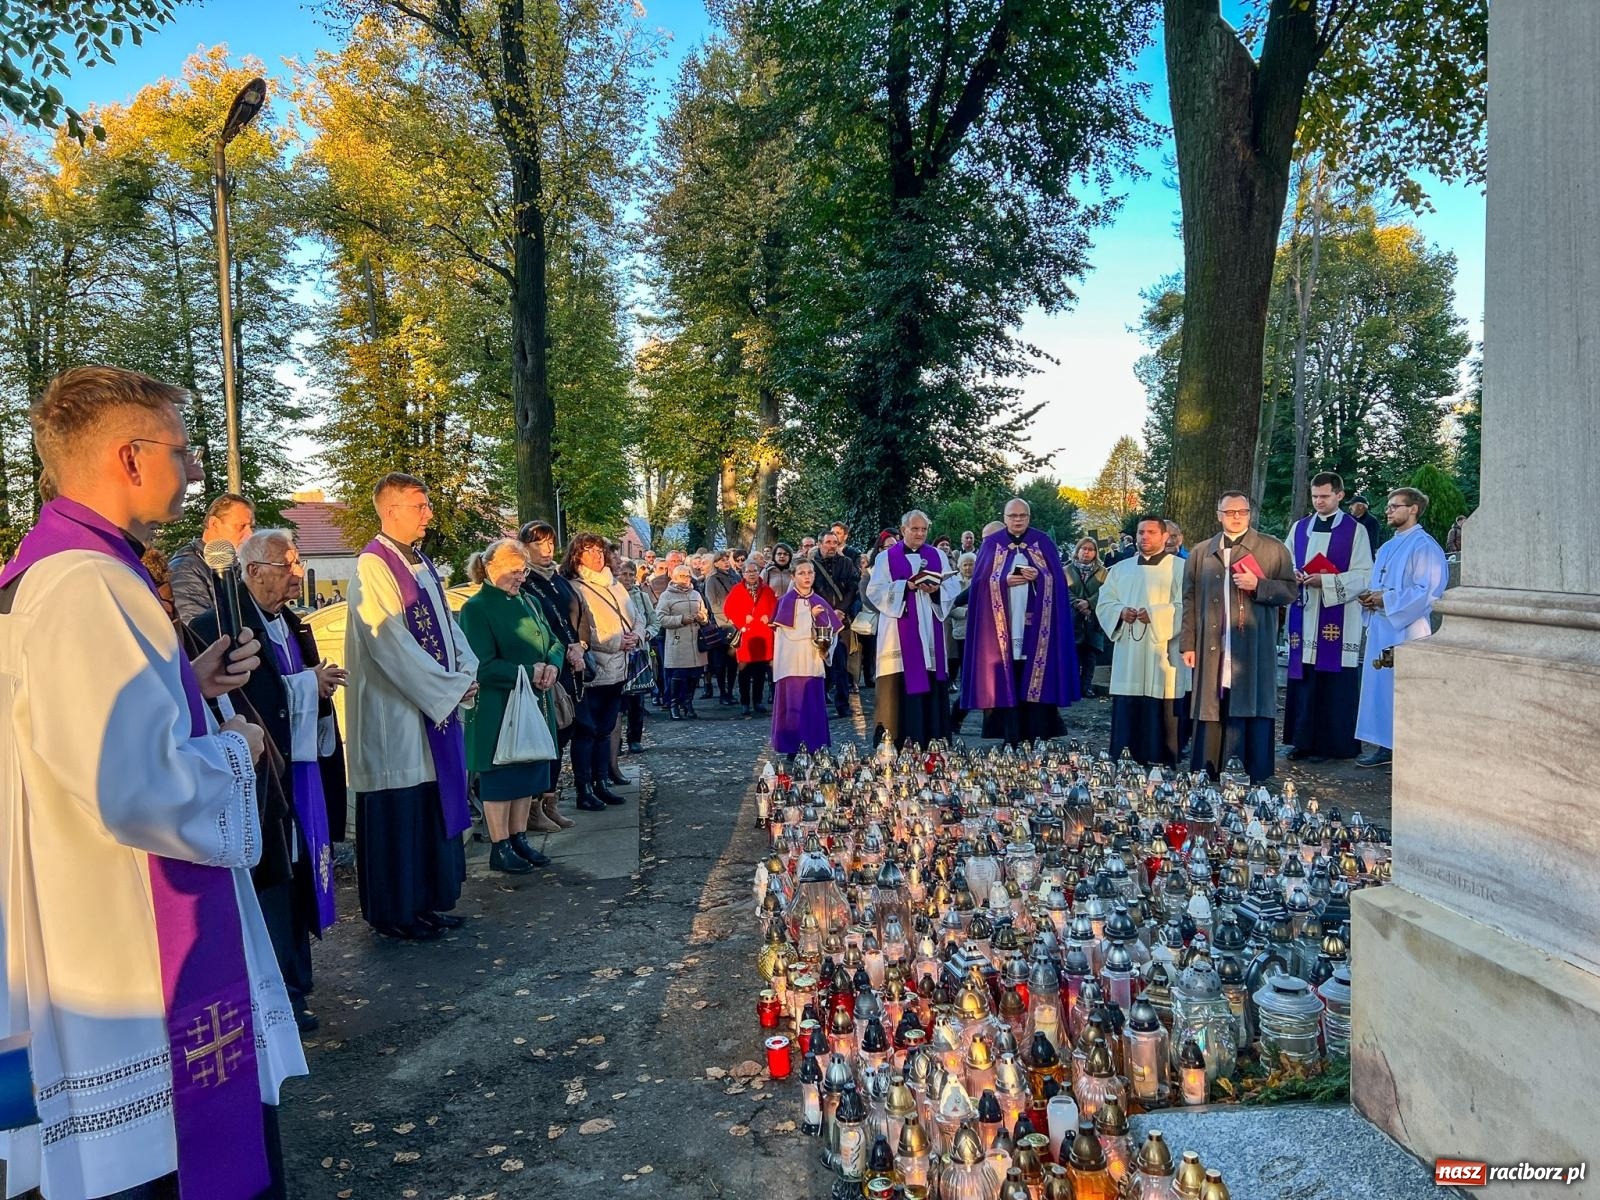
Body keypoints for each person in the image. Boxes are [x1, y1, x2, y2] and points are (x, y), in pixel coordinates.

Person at [0, 365, 304, 1198]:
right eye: (182, 449)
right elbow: (132, 787)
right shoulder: (89, 585)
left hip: (80, 906)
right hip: (123, 933)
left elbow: (70, 733)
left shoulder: (48, 569)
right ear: (129, 458)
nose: (195, 468)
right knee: (172, 1158)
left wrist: (188, 687)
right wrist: (235, 746)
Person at [192, 529, 346, 1033]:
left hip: (300, 771)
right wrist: (307, 685)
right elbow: (243, 698)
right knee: (273, 884)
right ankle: (278, 994)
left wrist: (317, 687)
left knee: (298, 877)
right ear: (254, 571)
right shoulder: (217, 626)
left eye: (298, 563)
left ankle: (297, 982)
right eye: (287, 565)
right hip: (259, 778)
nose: (297, 574)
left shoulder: (289, 623)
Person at [346, 472, 478, 941]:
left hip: (430, 711)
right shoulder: (373, 565)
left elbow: (448, 627)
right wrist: (447, 689)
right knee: (401, 815)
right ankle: (396, 913)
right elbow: (390, 644)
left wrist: (465, 673)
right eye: (419, 506)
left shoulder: (418, 562)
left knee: (428, 811)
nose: (428, 515)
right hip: (395, 718)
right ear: (390, 510)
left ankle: (426, 902)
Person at [459, 539, 565, 873]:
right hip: (498, 706)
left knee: (527, 774)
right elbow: (481, 665)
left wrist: (552, 666)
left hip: (534, 700)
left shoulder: (529, 601)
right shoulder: (477, 608)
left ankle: (519, 838)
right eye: (514, 571)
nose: (521, 577)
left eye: (523, 571)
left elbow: (554, 641)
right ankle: (500, 844)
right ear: (490, 567)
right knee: (500, 777)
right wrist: (527, 671)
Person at [1179, 491, 1296, 784]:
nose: (1236, 517)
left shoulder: (1272, 548)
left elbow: (1290, 591)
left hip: (1251, 644)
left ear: (1250, 514)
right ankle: (1208, 768)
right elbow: (1189, 599)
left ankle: (1251, 768)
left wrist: (1260, 585)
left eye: (1242, 511)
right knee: (1211, 698)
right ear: (1218, 515)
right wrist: (1188, 643)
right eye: (1229, 512)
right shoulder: (1201, 552)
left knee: (1249, 696)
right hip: (1212, 642)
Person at [960, 498, 1081, 745]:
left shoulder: (1042, 542)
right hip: (1001, 627)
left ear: (1029, 517)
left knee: (1034, 675)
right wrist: (1002, 581)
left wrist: (1040, 577)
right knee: (1008, 678)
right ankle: (1010, 735)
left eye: (1022, 515)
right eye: (1012, 516)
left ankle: (1037, 734)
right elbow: (979, 584)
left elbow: (1057, 580)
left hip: (1035, 626)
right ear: (1004, 518)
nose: (1017, 520)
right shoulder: (992, 544)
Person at [1354, 488, 1450, 768]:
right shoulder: (1386, 547)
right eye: (1388, 506)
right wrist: (1370, 598)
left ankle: (1407, 747)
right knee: (1381, 690)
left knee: (1403, 690)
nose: (1388, 511)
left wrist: (1386, 599)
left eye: (1395, 506)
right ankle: (1385, 745)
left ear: (1413, 509)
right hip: (1381, 626)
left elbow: (1428, 591)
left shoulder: (1424, 546)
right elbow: (1378, 583)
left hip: (1407, 629)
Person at [1282, 472, 1372, 762]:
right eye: (1315, 496)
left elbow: (1364, 575)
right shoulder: (1300, 528)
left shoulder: (1355, 531)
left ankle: (1334, 746)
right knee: (1305, 679)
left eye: (1325, 496)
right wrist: (1293, 574)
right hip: (1305, 613)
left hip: (1338, 617)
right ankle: (1302, 741)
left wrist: (1328, 581)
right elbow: (1285, 561)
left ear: (1339, 495)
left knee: (1332, 682)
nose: (1319, 501)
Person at [1097, 515, 1190, 765]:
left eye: (1151, 532)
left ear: (1164, 536)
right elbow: (1104, 602)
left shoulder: (1180, 568)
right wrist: (1119, 612)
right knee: (1129, 702)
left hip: (1164, 650)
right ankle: (1125, 756)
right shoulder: (1120, 569)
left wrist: (1157, 615)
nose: (1144, 537)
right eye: (1141, 532)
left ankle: (1163, 758)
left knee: (1163, 701)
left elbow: (1187, 606)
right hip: (1129, 649)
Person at [864, 510, 960, 747]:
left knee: (930, 680)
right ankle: (895, 742)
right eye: (914, 529)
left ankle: (933, 741)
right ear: (903, 530)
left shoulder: (938, 555)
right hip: (898, 633)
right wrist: (905, 586)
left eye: (924, 529)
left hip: (929, 628)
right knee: (899, 688)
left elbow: (952, 589)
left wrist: (935, 591)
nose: (920, 533)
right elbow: (874, 591)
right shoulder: (885, 558)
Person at [518, 521, 590, 818]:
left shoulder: (558, 578)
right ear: (524, 548)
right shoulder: (524, 581)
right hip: (550, 668)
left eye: (550, 542)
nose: (546, 549)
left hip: (573, 666)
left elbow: (581, 614)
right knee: (552, 734)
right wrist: (564, 650)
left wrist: (581, 645)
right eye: (538, 543)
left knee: (567, 731)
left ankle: (550, 802)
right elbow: (538, 627)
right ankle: (536, 806)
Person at [562, 532, 637, 807]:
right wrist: (617, 642)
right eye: (589, 551)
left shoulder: (615, 585)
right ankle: (584, 789)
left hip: (618, 668)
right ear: (577, 555)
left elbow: (635, 616)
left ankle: (602, 781)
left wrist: (636, 636)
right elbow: (581, 630)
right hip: (593, 670)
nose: (597, 555)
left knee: (606, 728)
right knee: (587, 730)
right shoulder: (575, 587)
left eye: (599, 550)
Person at [771, 560, 840, 755]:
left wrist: (827, 647)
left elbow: (831, 632)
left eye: (810, 572)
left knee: (812, 705)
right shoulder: (786, 601)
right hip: (792, 662)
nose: (807, 576)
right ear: (793, 577)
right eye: (802, 573)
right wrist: (810, 616)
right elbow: (791, 633)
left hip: (812, 661)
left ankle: (814, 745)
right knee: (793, 706)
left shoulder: (820, 601)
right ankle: (793, 748)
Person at [168, 490, 256, 621]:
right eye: (241, 526)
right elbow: (195, 626)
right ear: (214, 523)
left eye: (251, 527)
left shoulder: (236, 566)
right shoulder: (184, 568)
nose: (249, 534)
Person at [812, 529, 860, 717]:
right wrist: (827, 612)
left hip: (841, 620)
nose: (832, 546)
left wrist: (841, 610)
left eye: (835, 543)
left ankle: (843, 704)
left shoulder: (846, 563)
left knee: (841, 663)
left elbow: (852, 589)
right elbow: (811, 591)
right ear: (819, 544)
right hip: (819, 621)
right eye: (828, 542)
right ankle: (819, 703)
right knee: (819, 663)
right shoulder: (812, 565)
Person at [723, 558, 777, 716]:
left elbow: (775, 608)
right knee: (744, 670)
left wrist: (769, 617)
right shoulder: (737, 590)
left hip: (763, 635)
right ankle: (745, 702)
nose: (752, 574)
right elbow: (728, 609)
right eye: (748, 571)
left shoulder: (767, 590)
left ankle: (758, 701)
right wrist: (741, 620)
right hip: (746, 635)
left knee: (761, 671)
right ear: (743, 573)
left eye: (754, 571)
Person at [617, 559, 660, 755]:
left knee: (637, 699)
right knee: (618, 702)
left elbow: (654, 621)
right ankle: (615, 742)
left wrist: (646, 635)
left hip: (639, 653)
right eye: (623, 574)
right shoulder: (611, 594)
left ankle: (634, 738)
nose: (627, 578)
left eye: (630, 575)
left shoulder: (642, 597)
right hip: (618, 654)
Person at [656, 562, 708, 719]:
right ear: (674, 577)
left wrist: (701, 617)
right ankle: (674, 705)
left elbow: (705, 613)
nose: (686, 579)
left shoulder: (696, 594)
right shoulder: (666, 596)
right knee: (678, 676)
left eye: (688, 576)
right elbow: (661, 618)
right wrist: (680, 619)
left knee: (694, 675)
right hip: (677, 641)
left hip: (695, 640)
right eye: (682, 576)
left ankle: (688, 703)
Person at [1066, 537, 1106, 698]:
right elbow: (1063, 590)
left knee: (1090, 655)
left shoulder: (1103, 572)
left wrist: (1089, 603)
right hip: (1072, 617)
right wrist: (1077, 603)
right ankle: (1074, 687)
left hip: (1093, 618)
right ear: (1078, 551)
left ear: (1095, 552)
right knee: (1073, 654)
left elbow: (1106, 591)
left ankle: (1086, 686)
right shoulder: (1066, 570)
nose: (1087, 552)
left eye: (1091, 549)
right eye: (1084, 548)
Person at [703, 549, 740, 705]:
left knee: (733, 662)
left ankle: (730, 692)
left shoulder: (735, 577)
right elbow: (712, 603)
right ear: (716, 563)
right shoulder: (712, 580)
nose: (726, 562)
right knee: (720, 663)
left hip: (736, 624)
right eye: (722, 560)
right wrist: (727, 617)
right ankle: (723, 693)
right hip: (721, 625)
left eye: (727, 559)